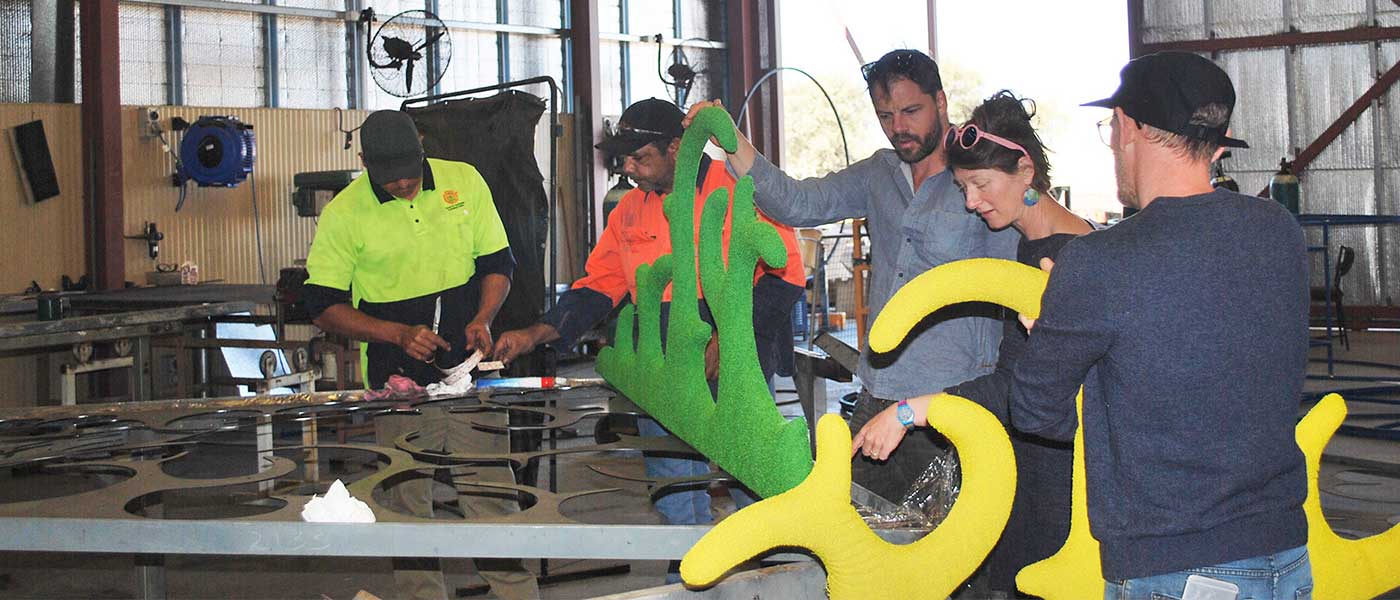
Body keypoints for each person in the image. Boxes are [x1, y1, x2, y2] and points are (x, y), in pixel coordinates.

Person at [1007, 52, 1311, 597]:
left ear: (1129, 128)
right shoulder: (1280, 232)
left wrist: (1054, 330)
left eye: (1111, 127)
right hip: (1286, 554)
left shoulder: (1100, 262)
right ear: (1218, 145)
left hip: (1173, 566)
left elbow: (1035, 409)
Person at [685, 49, 1019, 503]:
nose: (898, 126)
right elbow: (797, 203)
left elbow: (1024, 262)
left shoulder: (980, 177)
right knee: (851, 532)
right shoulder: (878, 174)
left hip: (951, 402)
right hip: (878, 391)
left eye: (910, 111)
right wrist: (732, 141)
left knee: (950, 556)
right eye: (885, 115)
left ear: (941, 102)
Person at [491, 99, 806, 531]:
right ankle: (688, 571)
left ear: (676, 147)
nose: (629, 169)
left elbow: (786, 275)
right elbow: (598, 285)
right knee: (672, 479)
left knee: (751, 474)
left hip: (735, 354)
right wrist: (535, 333)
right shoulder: (630, 212)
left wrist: (729, 340)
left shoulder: (740, 188)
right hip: (663, 361)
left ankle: (778, 568)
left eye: (640, 157)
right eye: (625, 159)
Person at [851, 91, 1091, 595]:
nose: (971, 202)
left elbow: (1018, 386)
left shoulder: (1068, 261)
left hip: (1059, 480)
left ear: (1025, 170)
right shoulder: (1030, 248)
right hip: (1029, 460)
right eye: (962, 187)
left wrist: (909, 411)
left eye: (981, 184)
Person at [302, 109, 537, 600]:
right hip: (397, 380)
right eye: (391, 182)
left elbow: (498, 262)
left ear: (422, 148)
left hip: (470, 374)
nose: (404, 187)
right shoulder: (344, 213)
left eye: (411, 175)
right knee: (405, 502)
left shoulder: (464, 182)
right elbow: (322, 305)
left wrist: (485, 317)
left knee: (492, 494)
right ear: (365, 163)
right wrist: (394, 333)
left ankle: (516, 594)